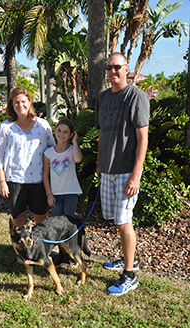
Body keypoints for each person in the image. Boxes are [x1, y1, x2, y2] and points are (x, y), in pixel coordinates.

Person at [95, 52, 149, 296]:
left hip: (126, 171)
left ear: (126, 69)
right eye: (109, 67)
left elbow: (142, 138)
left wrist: (135, 175)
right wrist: (98, 163)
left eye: (117, 67)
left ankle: (130, 275)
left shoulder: (136, 96)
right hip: (106, 170)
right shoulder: (103, 97)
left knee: (124, 221)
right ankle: (130, 260)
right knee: (115, 219)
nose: (112, 71)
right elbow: (101, 135)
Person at [0, 87, 55, 228]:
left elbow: (52, 150)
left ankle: (41, 246)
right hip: (15, 181)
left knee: (42, 218)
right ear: (11, 105)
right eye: (16, 102)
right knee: (19, 217)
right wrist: (1, 181)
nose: (20, 105)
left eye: (23, 101)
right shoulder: (5, 127)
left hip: (39, 181)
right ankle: (21, 248)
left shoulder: (42, 125)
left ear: (29, 102)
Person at [43, 118, 83, 268]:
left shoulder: (72, 150)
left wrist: (75, 142)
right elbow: (45, 175)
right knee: (57, 226)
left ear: (71, 134)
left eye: (66, 132)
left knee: (68, 224)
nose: (61, 134)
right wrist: (49, 194)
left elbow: (78, 159)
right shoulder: (48, 153)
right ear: (55, 130)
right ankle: (61, 253)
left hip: (70, 193)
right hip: (55, 195)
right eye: (59, 130)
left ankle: (68, 255)